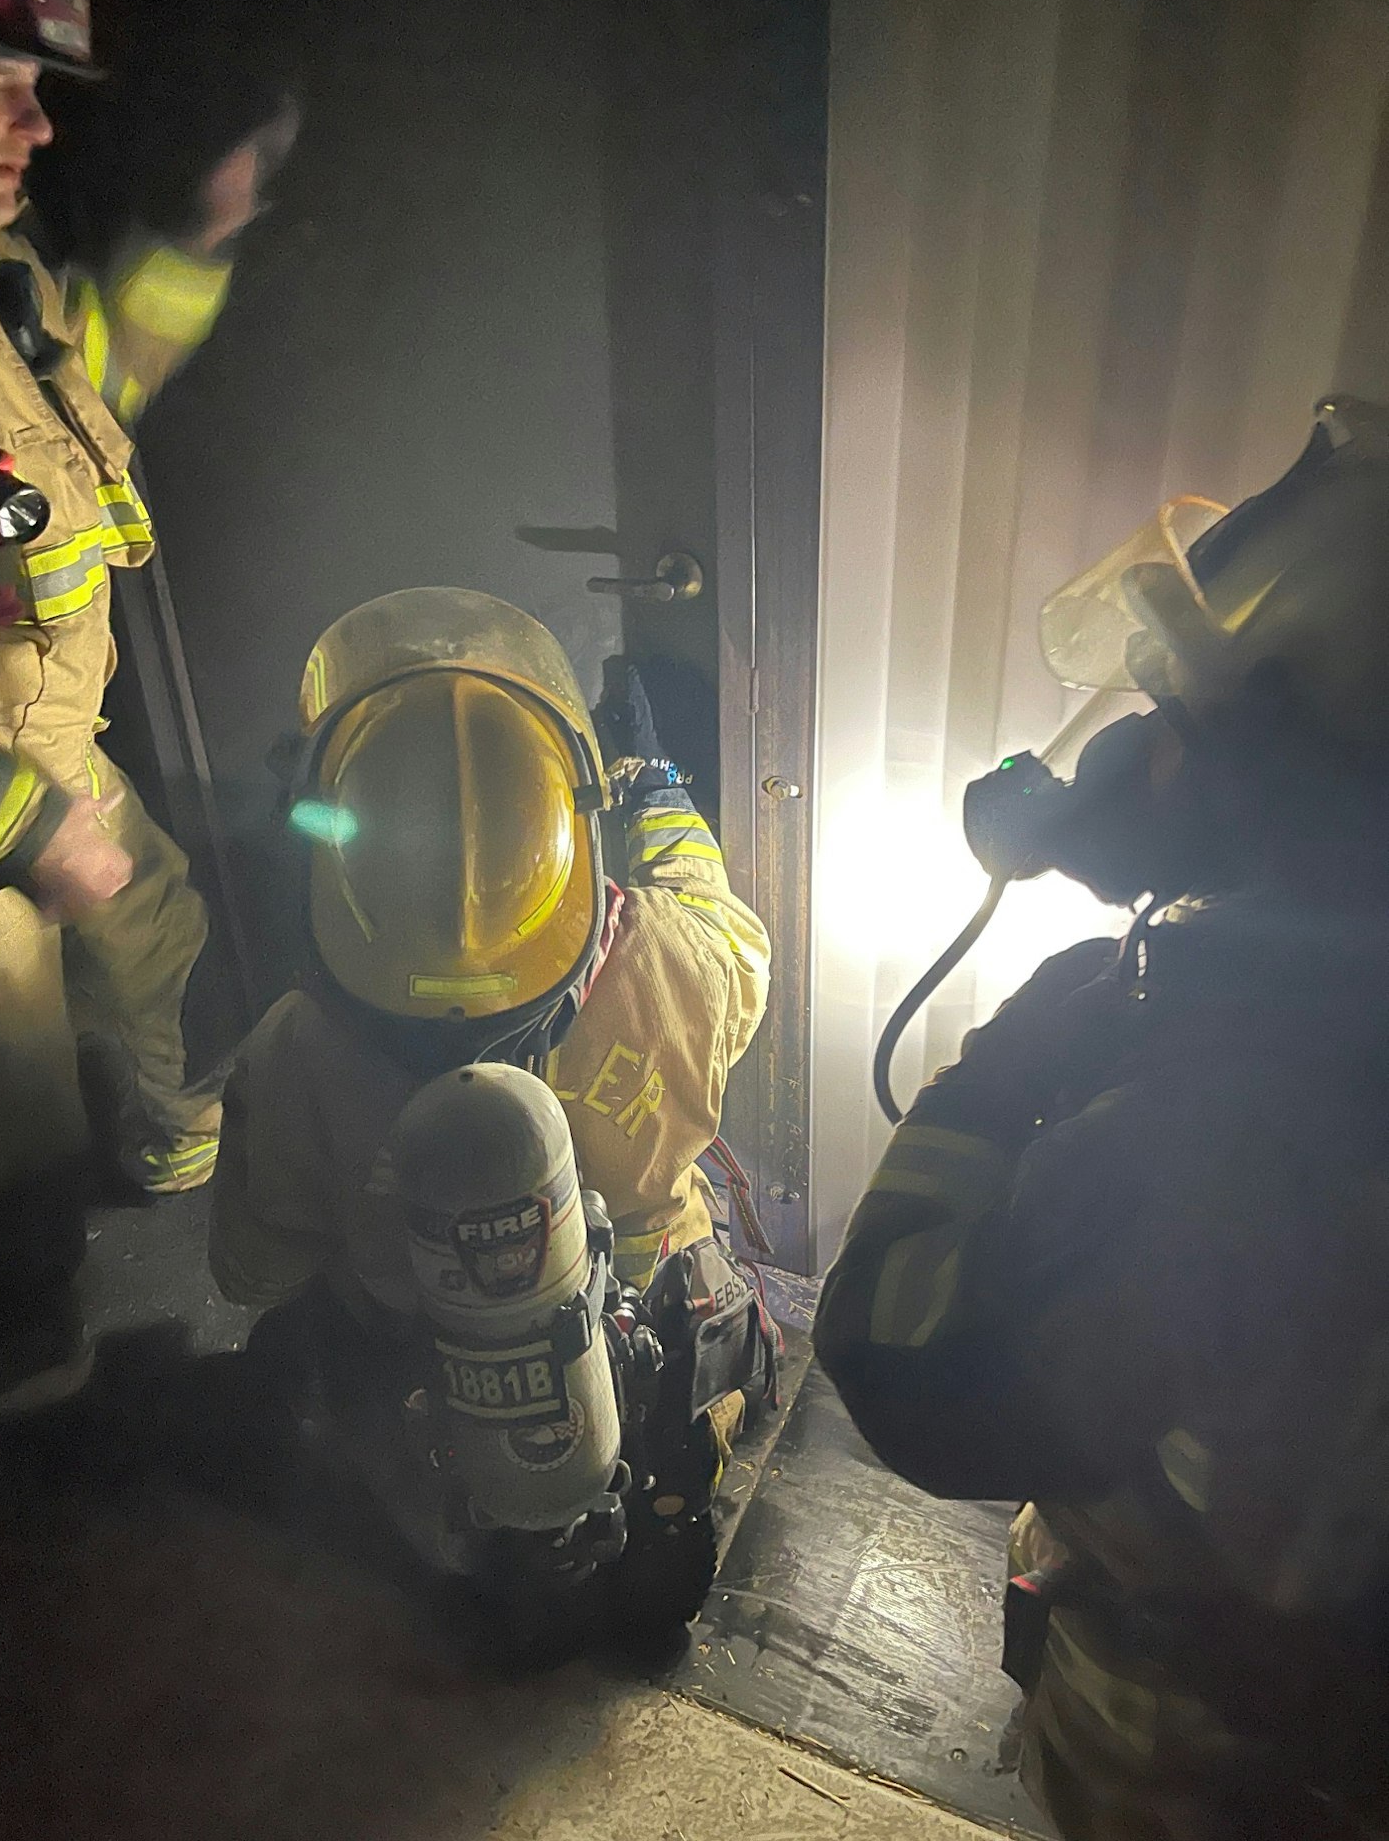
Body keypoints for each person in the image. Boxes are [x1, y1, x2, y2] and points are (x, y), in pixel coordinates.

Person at [815, 394, 1389, 1840]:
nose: (1141, 749)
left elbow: (903, 1359)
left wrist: (1003, 1070)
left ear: (1295, 786)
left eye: (1183, 716)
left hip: (1199, 1761)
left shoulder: (1222, 1136)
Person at [0, 0, 274, 1413]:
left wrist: (200, 235)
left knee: (159, 936)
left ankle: (169, 1181)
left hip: (47, 767)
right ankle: (10, 1460)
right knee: (3, 1228)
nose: (36, 126)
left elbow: (101, 375)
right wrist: (26, 829)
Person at [207, 589, 773, 1620]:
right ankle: (682, 1467)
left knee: (298, 1342)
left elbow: (253, 1269)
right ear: (570, 833)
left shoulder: (293, 1046)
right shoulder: (678, 960)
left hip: (428, 1397)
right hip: (645, 1351)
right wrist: (656, 782)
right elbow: (721, 916)